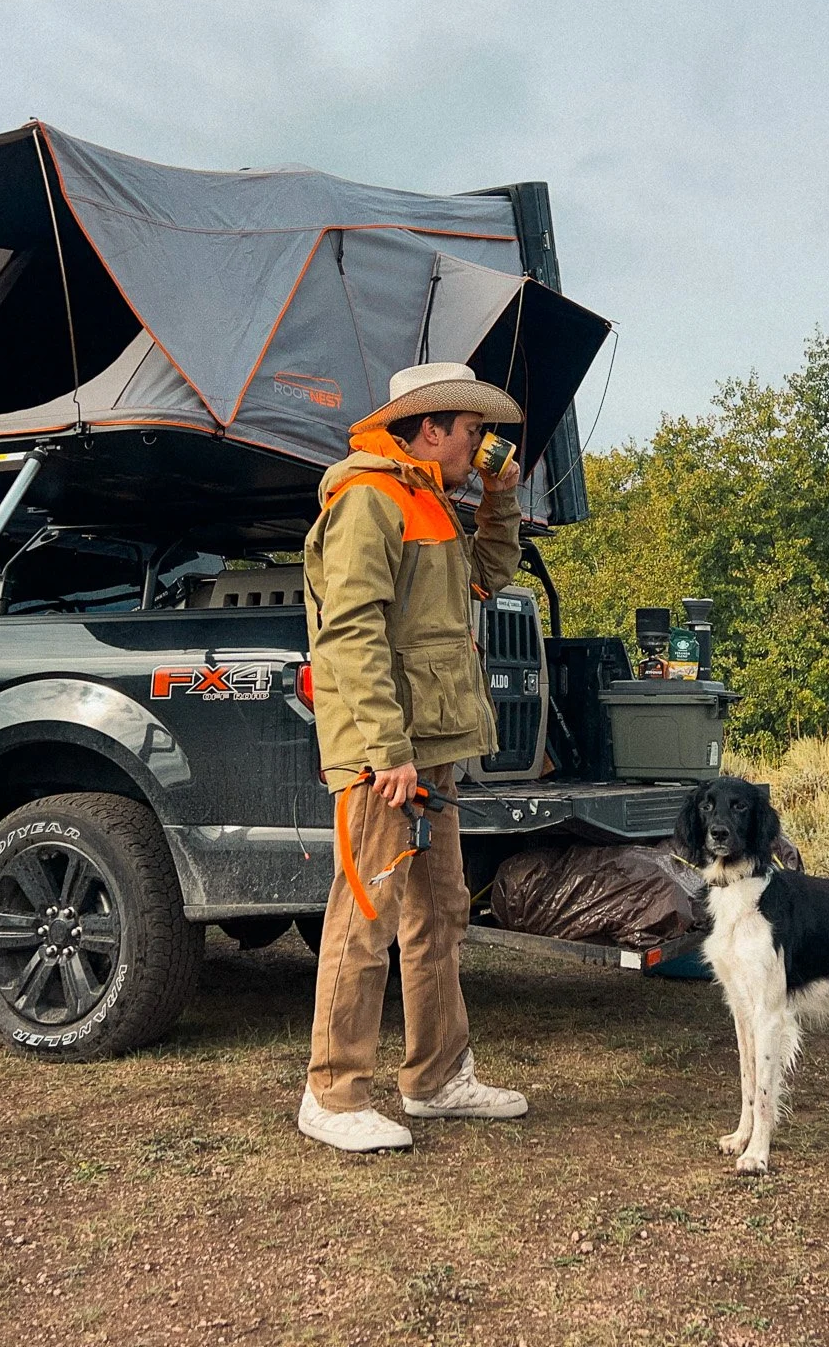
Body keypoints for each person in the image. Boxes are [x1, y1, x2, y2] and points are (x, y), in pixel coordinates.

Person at [296, 361, 532, 1152]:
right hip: (386, 755)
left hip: (428, 747)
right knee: (366, 915)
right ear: (430, 428)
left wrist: (500, 500)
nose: (482, 444)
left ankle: (436, 1079)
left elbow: (487, 577)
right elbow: (351, 629)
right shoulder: (368, 497)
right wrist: (384, 750)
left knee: (440, 911)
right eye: (472, 431)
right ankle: (332, 1095)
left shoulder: (429, 499)